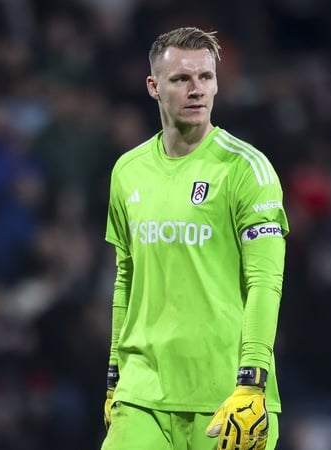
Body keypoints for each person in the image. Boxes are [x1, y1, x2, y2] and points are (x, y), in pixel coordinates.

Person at [101, 26, 289, 450]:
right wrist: (115, 373)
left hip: (227, 398)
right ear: (153, 86)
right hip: (142, 394)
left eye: (205, 77)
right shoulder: (127, 172)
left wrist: (253, 381)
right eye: (181, 79)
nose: (196, 90)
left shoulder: (247, 171)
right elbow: (125, 278)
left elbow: (265, 282)